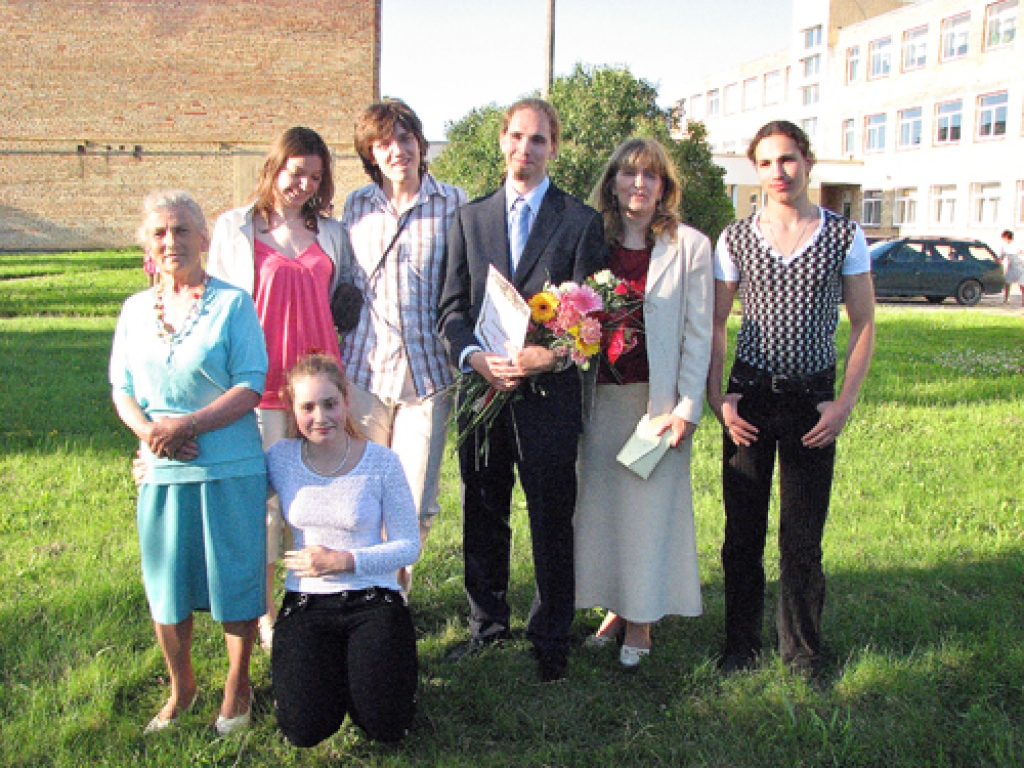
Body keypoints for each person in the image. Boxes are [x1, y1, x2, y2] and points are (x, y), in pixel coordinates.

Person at [437, 98, 608, 682]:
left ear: (554, 146)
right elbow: (451, 311)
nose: (524, 150)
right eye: (516, 137)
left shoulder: (580, 221)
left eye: (537, 140)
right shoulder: (471, 219)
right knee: (484, 514)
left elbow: (594, 319)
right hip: (483, 394)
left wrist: (551, 356)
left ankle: (551, 634)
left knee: (551, 518)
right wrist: (475, 358)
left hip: (547, 399)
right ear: (502, 142)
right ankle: (486, 626)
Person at [706, 121, 875, 677]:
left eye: (787, 160)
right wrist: (719, 399)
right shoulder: (735, 238)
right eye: (765, 163)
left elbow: (863, 323)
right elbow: (716, 324)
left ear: (807, 161)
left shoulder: (843, 236)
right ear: (755, 171)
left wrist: (843, 405)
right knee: (742, 536)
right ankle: (739, 647)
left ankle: (801, 653)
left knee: (802, 540)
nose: (777, 173)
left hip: (811, 405)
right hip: (749, 402)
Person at [110, 190, 268, 735]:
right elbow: (122, 388)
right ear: (147, 245)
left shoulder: (233, 303)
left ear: (204, 239)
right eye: (159, 233)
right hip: (162, 466)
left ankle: (237, 685)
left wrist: (190, 425)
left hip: (230, 465)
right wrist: (152, 432)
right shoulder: (134, 310)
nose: (171, 241)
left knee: (236, 580)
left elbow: (252, 383)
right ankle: (182, 690)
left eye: (182, 230)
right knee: (166, 582)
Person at [207, 126, 348, 649]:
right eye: (295, 171)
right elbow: (218, 306)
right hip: (262, 388)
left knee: (317, 495)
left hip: (319, 388)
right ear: (275, 166)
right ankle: (265, 614)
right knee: (266, 504)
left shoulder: (331, 233)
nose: (303, 183)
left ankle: (314, 599)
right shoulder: (236, 228)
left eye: (314, 175)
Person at [574, 138, 713, 667]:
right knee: (605, 511)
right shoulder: (592, 242)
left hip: (656, 404)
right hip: (599, 401)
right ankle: (617, 607)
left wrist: (686, 407)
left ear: (665, 187)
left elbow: (700, 334)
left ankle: (642, 621)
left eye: (650, 175)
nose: (639, 183)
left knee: (649, 512)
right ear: (611, 182)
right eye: (628, 173)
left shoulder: (690, 247)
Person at [340, 99, 467, 596]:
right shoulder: (355, 206)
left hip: (429, 375)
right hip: (364, 371)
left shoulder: (455, 203)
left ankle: (393, 596)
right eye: (383, 143)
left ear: (421, 141)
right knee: (364, 494)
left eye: (405, 137)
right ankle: (362, 595)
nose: (397, 151)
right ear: (371, 154)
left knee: (413, 502)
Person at [268, 354, 419, 746]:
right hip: (307, 602)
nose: (321, 417)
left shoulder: (381, 462)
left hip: (373, 600)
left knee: (387, 726)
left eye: (329, 404)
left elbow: (408, 547)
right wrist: (156, 467)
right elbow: (232, 489)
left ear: (346, 400)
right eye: (307, 407)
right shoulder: (281, 458)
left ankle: (366, 676)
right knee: (303, 730)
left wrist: (342, 561)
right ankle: (339, 673)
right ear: (294, 410)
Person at [999, 230, 1023, 306]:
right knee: (1007, 282)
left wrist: (1018, 254)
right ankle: (1006, 299)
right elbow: (1002, 256)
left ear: (1007, 237)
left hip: (1019, 265)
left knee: (1022, 284)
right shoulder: (1004, 246)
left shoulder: (1017, 244)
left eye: (1004, 237)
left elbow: (1022, 252)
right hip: (1011, 266)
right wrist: (998, 260)